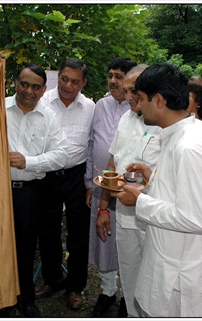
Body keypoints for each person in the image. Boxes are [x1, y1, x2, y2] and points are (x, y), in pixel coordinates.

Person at [112, 62, 202, 317]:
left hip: (178, 277)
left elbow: (194, 218)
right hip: (170, 261)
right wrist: (154, 179)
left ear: (158, 100)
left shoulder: (189, 145)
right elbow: (180, 192)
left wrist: (139, 201)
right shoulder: (182, 134)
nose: (137, 105)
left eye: (140, 98)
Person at [95, 64, 161, 317]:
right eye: (126, 91)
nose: (128, 96)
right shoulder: (125, 118)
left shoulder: (164, 123)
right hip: (124, 215)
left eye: (134, 90)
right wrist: (103, 209)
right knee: (130, 275)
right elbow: (112, 165)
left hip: (154, 218)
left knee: (154, 283)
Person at [6, 63, 68, 317]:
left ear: (44, 90)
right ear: (16, 83)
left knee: (24, 248)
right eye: (24, 84)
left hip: (29, 193)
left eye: (35, 87)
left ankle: (25, 300)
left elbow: (61, 155)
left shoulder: (49, 116)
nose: (28, 91)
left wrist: (28, 162)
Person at [35, 58, 95, 311]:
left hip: (77, 176)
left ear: (84, 83)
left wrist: (91, 181)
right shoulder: (42, 101)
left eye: (75, 81)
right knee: (47, 230)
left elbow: (93, 144)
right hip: (47, 175)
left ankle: (75, 287)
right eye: (64, 79)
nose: (68, 86)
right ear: (57, 76)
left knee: (78, 233)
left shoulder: (91, 107)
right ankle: (53, 279)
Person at [85, 57, 137, 316]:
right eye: (111, 75)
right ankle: (107, 291)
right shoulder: (100, 105)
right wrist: (87, 183)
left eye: (119, 76)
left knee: (128, 241)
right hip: (100, 186)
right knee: (104, 239)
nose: (113, 81)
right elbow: (92, 145)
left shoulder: (138, 107)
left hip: (130, 190)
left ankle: (129, 295)